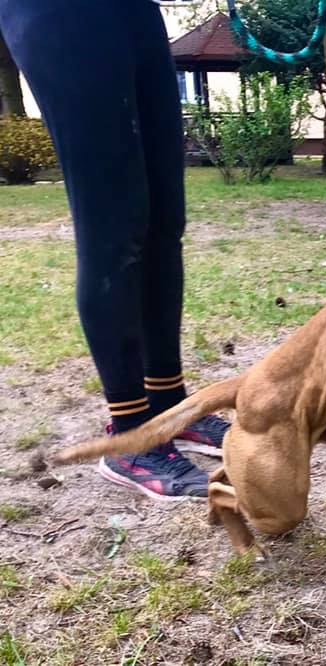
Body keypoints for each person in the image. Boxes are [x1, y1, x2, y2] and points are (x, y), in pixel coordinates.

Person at [0, 0, 229, 500]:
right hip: (60, 14)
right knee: (113, 224)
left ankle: (169, 407)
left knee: (164, 221)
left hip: (134, 10)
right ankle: (129, 436)